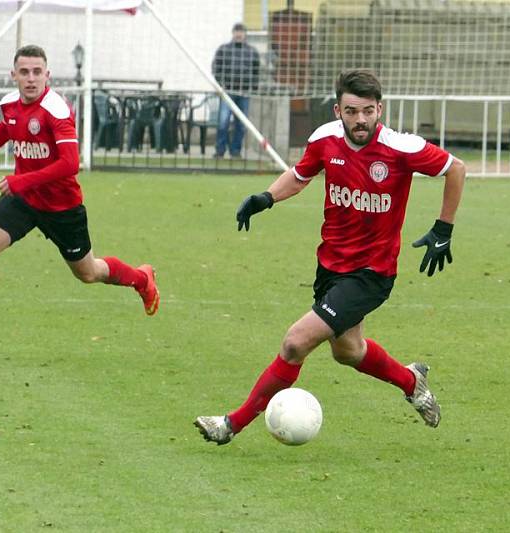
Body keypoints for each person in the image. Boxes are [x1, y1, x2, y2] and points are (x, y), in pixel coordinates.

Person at [195, 69, 466, 445]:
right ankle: (411, 381)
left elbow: (456, 169)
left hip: (371, 273)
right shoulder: (325, 140)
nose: (360, 120)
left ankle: (230, 425)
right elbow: (300, 175)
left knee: (295, 342)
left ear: (379, 110)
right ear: (339, 110)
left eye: (368, 111)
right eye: (352, 111)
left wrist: (444, 229)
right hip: (330, 265)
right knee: (348, 351)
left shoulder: (401, 147)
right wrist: (266, 197)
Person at [0, 45, 159, 352]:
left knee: (88, 272)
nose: (31, 79)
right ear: (13, 75)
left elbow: (70, 164)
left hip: (61, 206)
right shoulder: (10, 104)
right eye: (24, 72)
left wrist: (20, 180)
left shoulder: (56, 110)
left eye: (37, 72)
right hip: (24, 200)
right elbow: (6, 130)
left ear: (48, 75)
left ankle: (141, 278)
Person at [211, 22, 260, 159]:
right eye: (236, 31)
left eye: (241, 31)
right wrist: (221, 85)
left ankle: (235, 151)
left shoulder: (252, 52)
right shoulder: (224, 49)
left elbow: (256, 72)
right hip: (228, 92)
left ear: (245, 34)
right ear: (233, 33)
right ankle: (220, 150)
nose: (239, 34)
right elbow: (216, 68)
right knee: (223, 122)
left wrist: (252, 87)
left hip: (244, 93)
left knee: (241, 124)